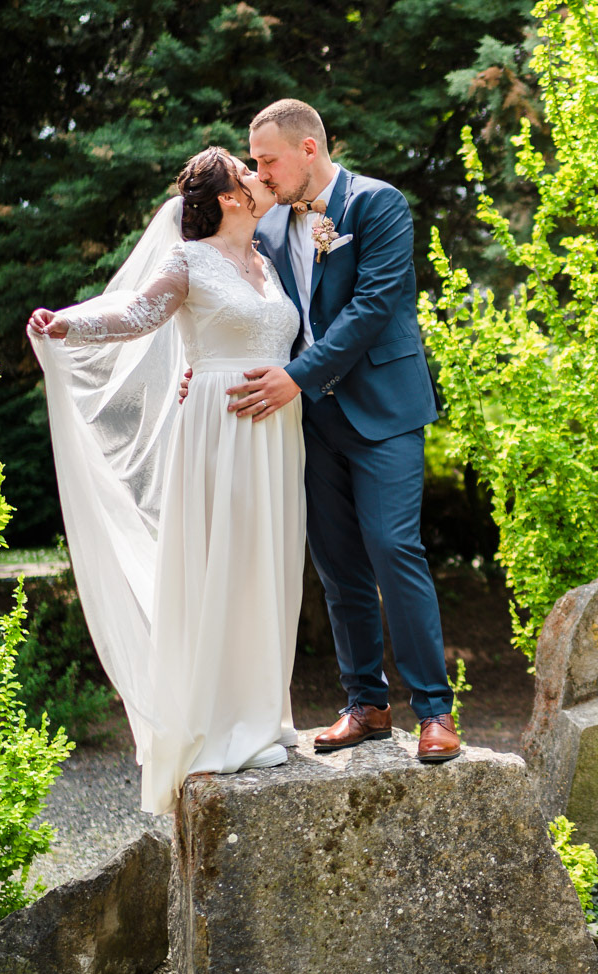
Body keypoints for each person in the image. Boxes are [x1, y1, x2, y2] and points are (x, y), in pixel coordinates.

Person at [27, 147, 305, 815]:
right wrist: (66, 322)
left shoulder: (266, 262)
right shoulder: (189, 260)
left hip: (276, 430)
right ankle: (220, 725)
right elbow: (135, 313)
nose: (259, 175)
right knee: (224, 565)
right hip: (220, 427)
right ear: (230, 197)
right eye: (247, 171)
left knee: (270, 565)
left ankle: (263, 716)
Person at [180, 99, 459, 762]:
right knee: (337, 565)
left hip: (383, 410)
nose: (260, 173)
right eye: (253, 163)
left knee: (393, 547)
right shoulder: (272, 225)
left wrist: (296, 376)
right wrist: (206, 369)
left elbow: (372, 307)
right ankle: (365, 704)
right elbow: (250, 308)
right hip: (309, 421)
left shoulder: (378, 204)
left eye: (267, 160)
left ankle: (435, 712)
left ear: (309, 149)